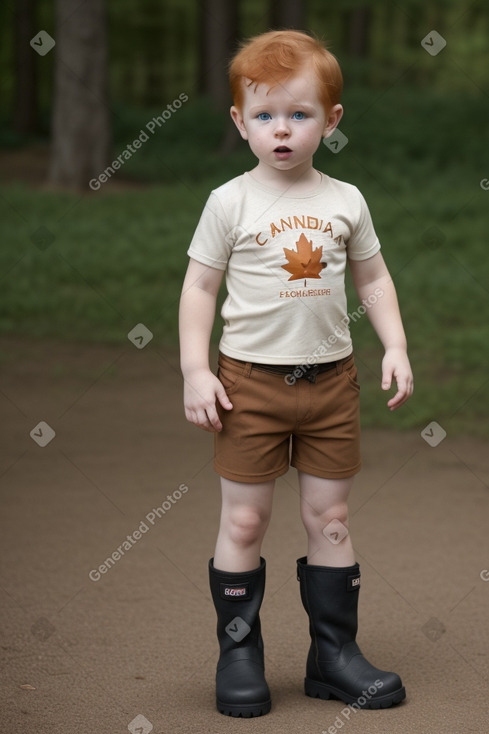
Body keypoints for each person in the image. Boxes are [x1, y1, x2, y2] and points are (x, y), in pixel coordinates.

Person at [179, 29, 413, 718]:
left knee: (330, 517)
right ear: (239, 121)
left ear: (330, 120)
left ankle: (332, 655)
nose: (281, 130)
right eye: (264, 115)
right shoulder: (230, 201)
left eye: (299, 114)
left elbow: (372, 278)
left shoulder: (345, 200)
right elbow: (199, 289)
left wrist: (393, 345)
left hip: (331, 384)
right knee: (245, 519)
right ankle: (239, 654)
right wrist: (196, 369)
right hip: (248, 384)